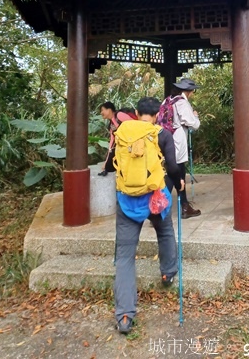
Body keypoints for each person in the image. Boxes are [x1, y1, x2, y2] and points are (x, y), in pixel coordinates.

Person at [114, 97, 184, 335]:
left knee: (124, 256)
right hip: (154, 197)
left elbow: (117, 163)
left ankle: (124, 315)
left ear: (136, 112)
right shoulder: (162, 134)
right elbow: (172, 167)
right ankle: (168, 272)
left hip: (126, 200)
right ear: (157, 114)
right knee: (164, 232)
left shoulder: (122, 132)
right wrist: (179, 181)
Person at [168, 77, 202, 219]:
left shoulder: (168, 100)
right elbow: (193, 124)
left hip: (165, 137)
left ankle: (185, 205)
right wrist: (195, 117)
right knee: (176, 171)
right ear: (189, 91)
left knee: (173, 169)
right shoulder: (182, 103)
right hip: (178, 138)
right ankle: (159, 209)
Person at [98, 101, 119, 176]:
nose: (101, 113)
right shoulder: (111, 125)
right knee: (109, 167)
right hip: (120, 148)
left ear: (109, 110)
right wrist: (106, 162)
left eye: (102, 110)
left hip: (131, 146)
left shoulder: (120, 115)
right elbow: (112, 143)